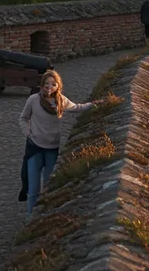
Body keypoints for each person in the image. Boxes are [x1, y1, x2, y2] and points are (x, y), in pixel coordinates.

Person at [18, 70, 100, 218]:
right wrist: (27, 132)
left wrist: (93, 105)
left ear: (58, 86)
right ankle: (30, 218)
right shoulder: (33, 100)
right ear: (42, 85)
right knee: (34, 187)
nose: (49, 87)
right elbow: (23, 118)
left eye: (53, 84)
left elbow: (77, 107)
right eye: (46, 84)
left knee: (49, 185)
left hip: (51, 149)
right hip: (35, 147)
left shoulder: (61, 100)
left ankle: (44, 215)